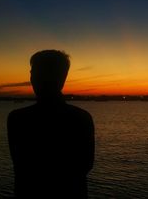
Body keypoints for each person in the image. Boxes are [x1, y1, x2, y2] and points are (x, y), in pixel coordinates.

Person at [7, 50, 95, 198]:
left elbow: (23, 166)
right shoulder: (81, 118)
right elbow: (84, 166)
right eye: (33, 73)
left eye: (36, 73)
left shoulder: (17, 119)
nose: (34, 78)